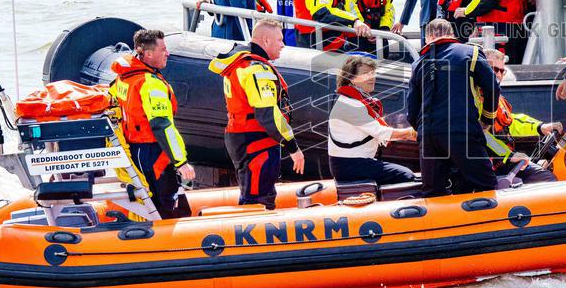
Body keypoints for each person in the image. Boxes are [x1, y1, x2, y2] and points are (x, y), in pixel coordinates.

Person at [209, 19, 305, 209]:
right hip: (256, 139)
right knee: (259, 198)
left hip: (242, 136)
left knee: (253, 192)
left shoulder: (240, 65)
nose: (283, 45)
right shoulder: (256, 69)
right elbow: (268, 114)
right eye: (279, 40)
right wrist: (293, 147)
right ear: (266, 41)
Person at [407, 18, 500, 197]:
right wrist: (486, 120)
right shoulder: (471, 52)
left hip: (428, 137)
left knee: (433, 193)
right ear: (451, 33)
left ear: (428, 37)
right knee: (486, 185)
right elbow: (492, 88)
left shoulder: (418, 64)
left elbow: (412, 111)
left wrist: (424, 131)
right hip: (461, 131)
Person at [109, 29, 195, 219]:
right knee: (169, 206)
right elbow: (161, 125)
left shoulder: (123, 77)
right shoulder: (150, 83)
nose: (167, 53)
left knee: (154, 201)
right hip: (154, 152)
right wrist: (181, 162)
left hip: (136, 150)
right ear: (148, 54)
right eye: (163, 49)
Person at [328, 55, 417, 185]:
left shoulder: (353, 100)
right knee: (406, 175)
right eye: (366, 74)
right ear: (351, 78)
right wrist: (411, 133)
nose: (372, 78)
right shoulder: (351, 104)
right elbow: (381, 132)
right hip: (349, 165)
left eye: (372, 73)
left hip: (352, 162)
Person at [482, 48, 560, 185]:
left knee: (547, 174)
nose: (498, 74)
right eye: (494, 69)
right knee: (548, 180)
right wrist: (508, 155)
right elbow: (481, 135)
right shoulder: (473, 99)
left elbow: (512, 123)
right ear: (482, 69)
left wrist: (540, 127)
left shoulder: (498, 99)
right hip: (489, 167)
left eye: (502, 71)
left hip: (504, 162)